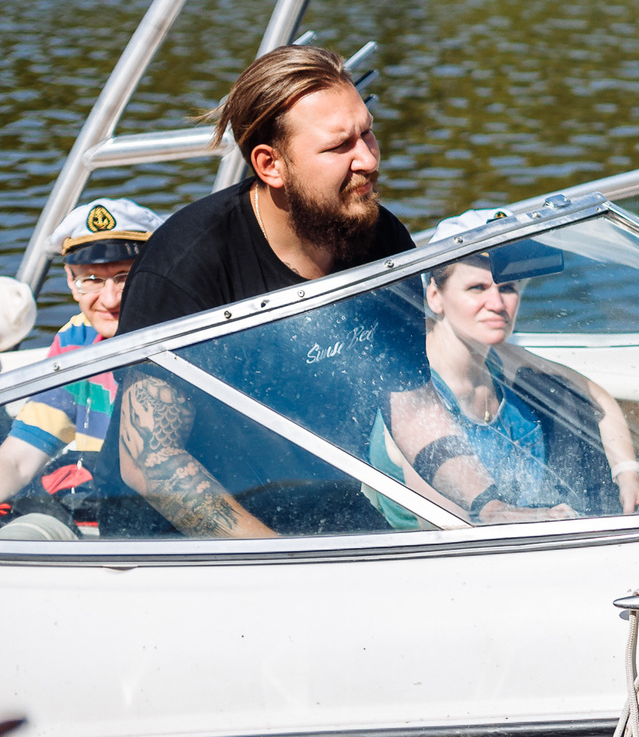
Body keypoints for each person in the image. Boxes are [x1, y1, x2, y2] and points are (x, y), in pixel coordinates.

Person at [104, 45, 549, 537]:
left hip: (320, 503)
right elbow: (151, 461)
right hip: (169, 539)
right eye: (340, 147)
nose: (368, 159)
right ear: (271, 165)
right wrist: (280, 559)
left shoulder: (382, 240)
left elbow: (414, 408)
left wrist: (490, 506)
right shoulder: (186, 265)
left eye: (368, 133)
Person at [370, 225, 639, 526]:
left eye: (507, 288)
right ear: (434, 296)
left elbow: (595, 398)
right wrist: (542, 519)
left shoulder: (498, 357)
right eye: (477, 288)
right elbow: (450, 526)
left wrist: (627, 475)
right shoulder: (411, 390)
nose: (497, 304)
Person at [0, 198, 161, 537]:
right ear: (71, 281)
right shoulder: (76, 339)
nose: (110, 299)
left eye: (124, 277)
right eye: (91, 279)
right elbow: (19, 458)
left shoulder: (180, 337)